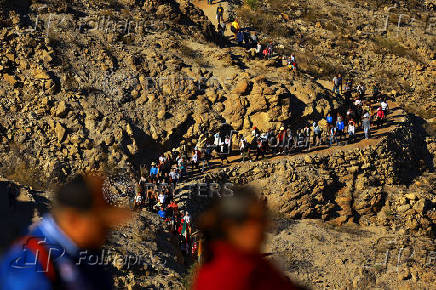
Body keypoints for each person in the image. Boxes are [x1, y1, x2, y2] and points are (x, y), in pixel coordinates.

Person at [0, 174, 131, 290]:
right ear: (73, 219)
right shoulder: (29, 264)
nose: (108, 230)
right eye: (102, 224)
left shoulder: (85, 253)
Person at [193, 186, 303, 290]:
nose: (265, 227)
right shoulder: (224, 277)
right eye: (256, 221)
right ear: (231, 226)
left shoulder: (251, 262)